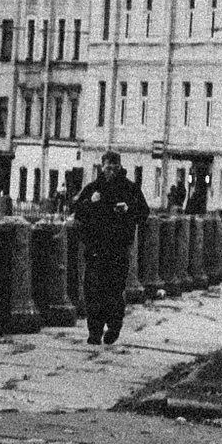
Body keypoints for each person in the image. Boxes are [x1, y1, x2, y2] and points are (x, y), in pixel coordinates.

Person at [71, 145, 149, 347]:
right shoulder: (93, 188)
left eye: (114, 167)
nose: (110, 171)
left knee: (114, 291)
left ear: (120, 167)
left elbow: (144, 213)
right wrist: (90, 202)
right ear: (102, 167)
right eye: (107, 167)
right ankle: (94, 332)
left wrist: (128, 208)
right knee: (93, 292)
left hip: (118, 249)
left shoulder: (130, 188)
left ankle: (114, 327)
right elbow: (77, 211)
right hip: (95, 249)